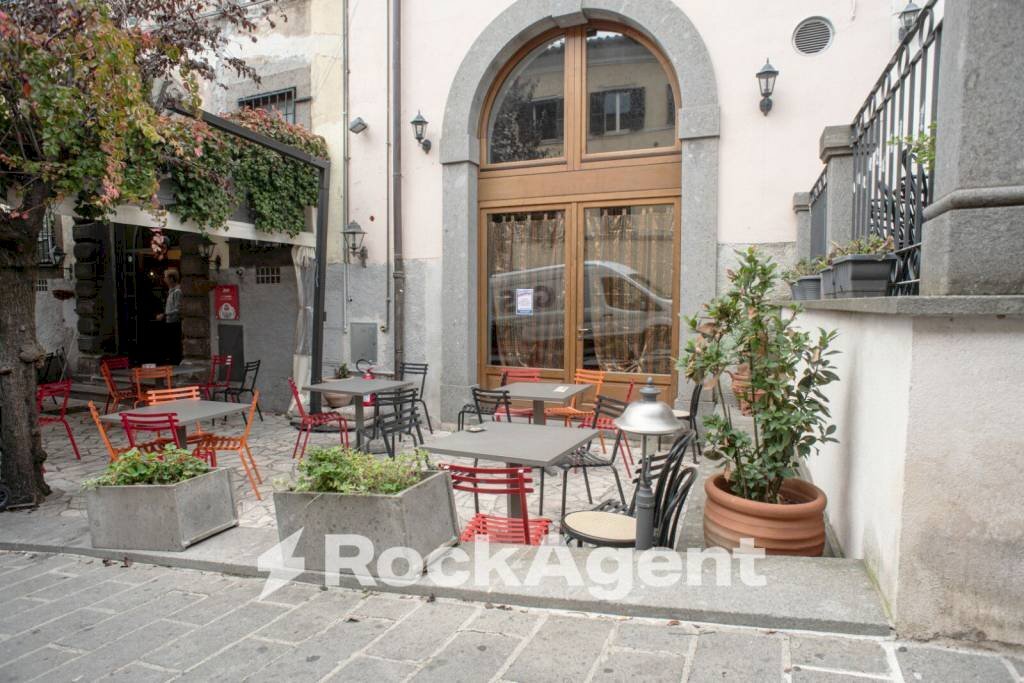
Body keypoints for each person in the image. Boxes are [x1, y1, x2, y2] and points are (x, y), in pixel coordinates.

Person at [156, 269, 183, 364]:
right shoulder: (171, 291)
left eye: (166, 278)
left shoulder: (177, 292)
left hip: (174, 323)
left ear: (171, 279)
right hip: (169, 322)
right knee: (170, 347)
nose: (164, 280)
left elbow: (178, 309)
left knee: (174, 346)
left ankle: (176, 365)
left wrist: (164, 314)